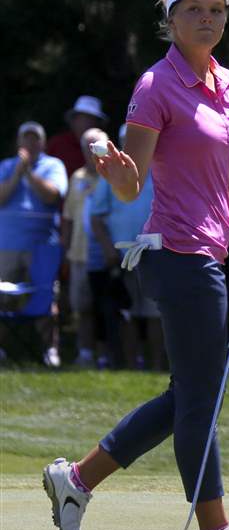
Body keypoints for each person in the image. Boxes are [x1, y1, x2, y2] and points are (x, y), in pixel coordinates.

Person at [43, 0, 229, 530]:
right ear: (171, 21)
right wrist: (109, 162)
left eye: (217, 12)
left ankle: (78, 479)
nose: (208, 20)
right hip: (176, 254)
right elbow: (130, 186)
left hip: (216, 253)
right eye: (195, 10)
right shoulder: (155, 85)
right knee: (200, 398)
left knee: (191, 396)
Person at [89, 124, 164, 371]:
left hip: (156, 253)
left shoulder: (162, 168)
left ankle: (157, 366)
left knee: (157, 314)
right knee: (127, 312)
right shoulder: (112, 173)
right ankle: (133, 366)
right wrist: (108, 249)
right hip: (122, 255)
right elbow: (96, 216)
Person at [0, 121, 67, 366]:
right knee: (3, 298)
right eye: (26, 138)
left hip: (43, 247)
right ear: (18, 142)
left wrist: (28, 172)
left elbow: (52, 195)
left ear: (43, 142)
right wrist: (18, 172)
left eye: (35, 138)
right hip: (6, 245)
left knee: (45, 297)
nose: (30, 143)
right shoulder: (6, 166)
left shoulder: (53, 165)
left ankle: (50, 351)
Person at [61, 128, 106, 367]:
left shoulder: (113, 176)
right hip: (79, 252)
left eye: (97, 146)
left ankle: (107, 354)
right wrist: (66, 249)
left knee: (106, 307)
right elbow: (68, 216)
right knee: (82, 307)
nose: (92, 152)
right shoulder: (76, 178)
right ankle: (86, 352)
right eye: (88, 147)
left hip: (107, 253)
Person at [47, 96, 109, 178]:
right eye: (81, 119)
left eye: (90, 119)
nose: (86, 124)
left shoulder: (107, 147)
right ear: (73, 121)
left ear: (98, 124)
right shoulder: (56, 143)